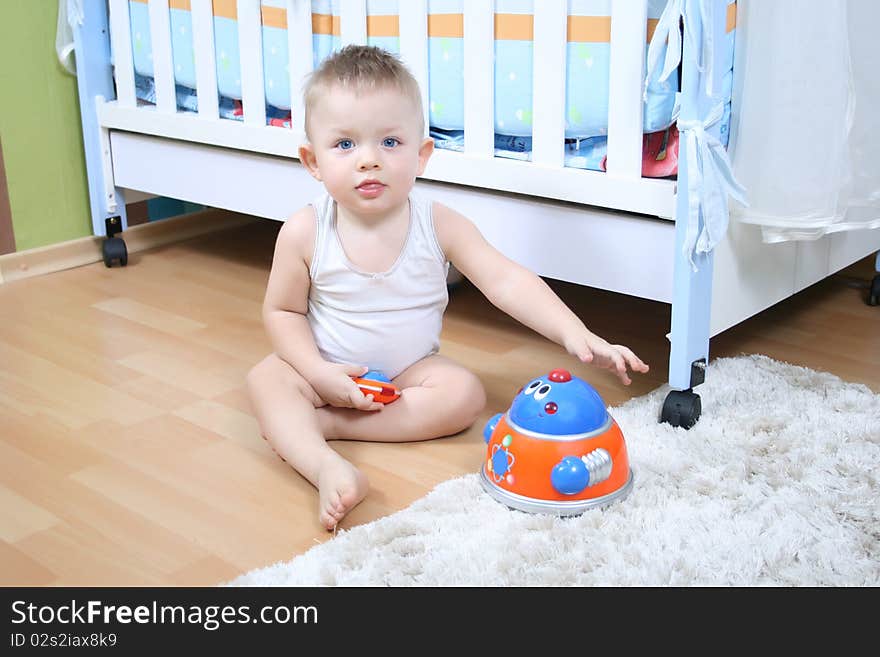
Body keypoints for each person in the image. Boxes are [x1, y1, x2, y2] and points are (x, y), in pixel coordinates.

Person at [246, 45, 649, 530]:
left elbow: (505, 279)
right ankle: (324, 464)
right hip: (323, 367)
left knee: (464, 394)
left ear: (422, 155)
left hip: (410, 371)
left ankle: (325, 425)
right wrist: (317, 373)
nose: (369, 160)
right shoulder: (304, 231)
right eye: (346, 145)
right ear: (313, 161)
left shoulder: (439, 224)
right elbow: (283, 314)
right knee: (268, 380)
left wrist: (575, 333)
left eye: (390, 143)